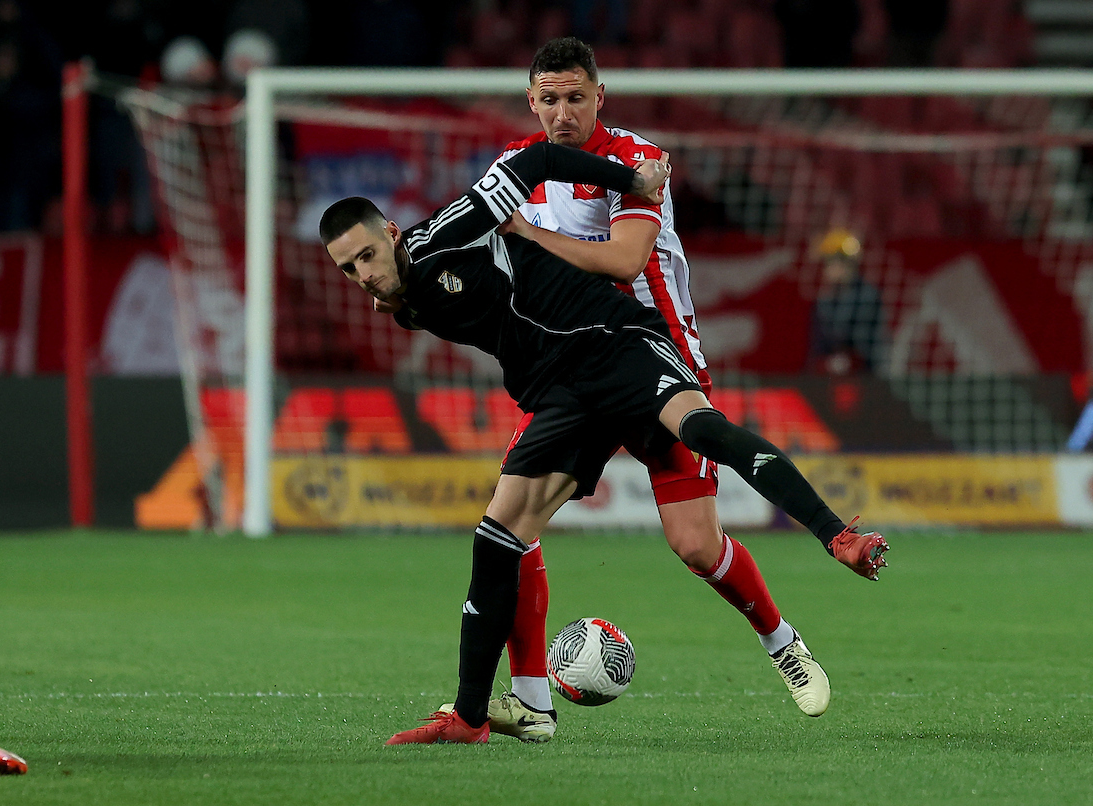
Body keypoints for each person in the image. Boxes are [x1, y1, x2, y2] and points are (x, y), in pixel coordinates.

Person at [319, 141, 888, 745]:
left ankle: (833, 545)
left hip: (612, 342)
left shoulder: (448, 233)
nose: (365, 274)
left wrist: (630, 181)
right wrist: (401, 299)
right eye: (349, 268)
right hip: (561, 392)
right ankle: (476, 716)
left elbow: (536, 165)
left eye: (368, 255)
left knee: (699, 475)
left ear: (391, 229)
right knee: (498, 534)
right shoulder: (404, 302)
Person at [422, 36, 864, 744]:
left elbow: (624, 259)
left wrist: (525, 235)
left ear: (600, 96)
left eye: (575, 98)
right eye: (548, 100)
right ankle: (532, 702)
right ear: (530, 102)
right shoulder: (513, 168)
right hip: (570, 366)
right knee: (513, 523)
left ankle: (782, 643)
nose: (562, 114)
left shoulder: (634, 161)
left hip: (652, 353)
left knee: (694, 545)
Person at [808, 228, 886, 375]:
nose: (831, 269)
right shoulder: (823, 302)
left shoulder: (867, 297)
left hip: (867, 373)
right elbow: (818, 346)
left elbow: (867, 346)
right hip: (831, 375)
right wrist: (827, 362)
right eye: (828, 263)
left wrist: (847, 360)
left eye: (837, 262)